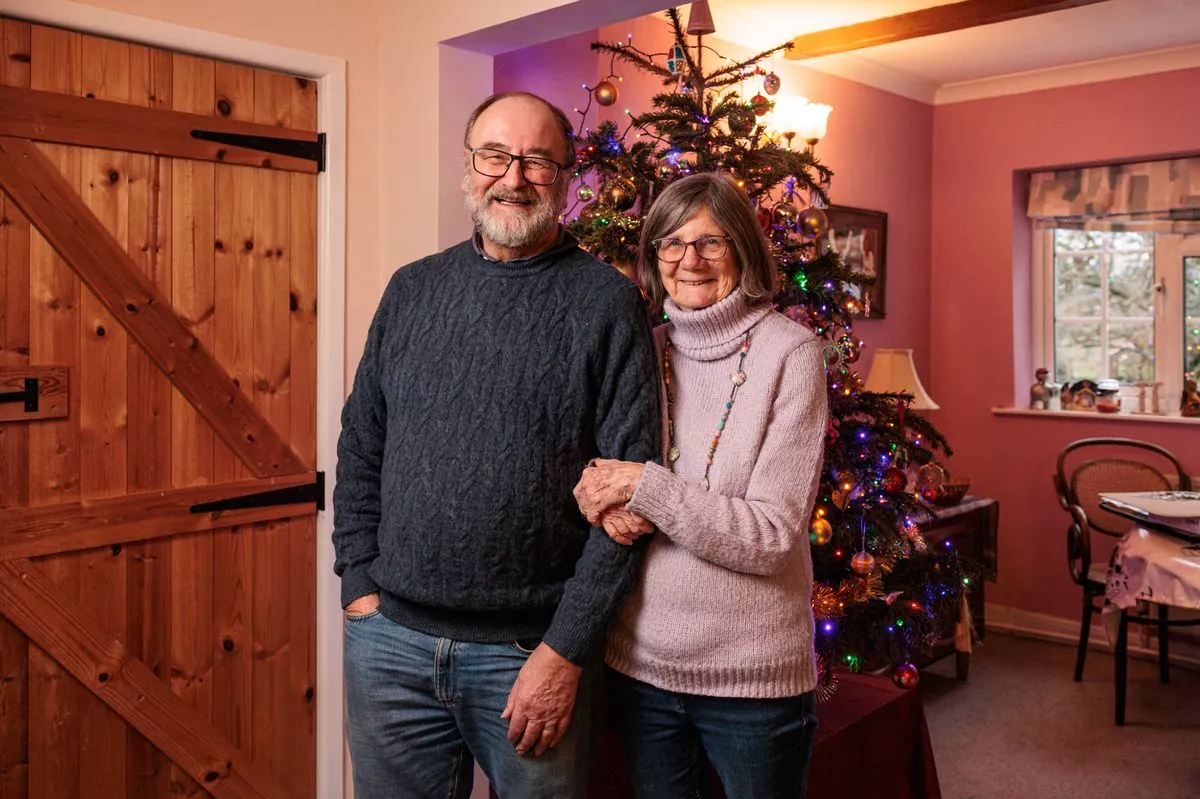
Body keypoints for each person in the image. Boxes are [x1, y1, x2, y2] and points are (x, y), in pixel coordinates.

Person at [332, 91, 660, 799]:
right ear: (467, 167)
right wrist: (357, 582)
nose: (514, 177)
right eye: (495, 156)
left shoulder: (607, 303)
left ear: (566, 180)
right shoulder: (412, 290)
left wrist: (566, 649)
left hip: (530, 653)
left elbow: (631, 498)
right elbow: (362, 444)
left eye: (538, 161)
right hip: (389, 644)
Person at [574, 172, 829, 799]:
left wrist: (647, 488)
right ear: (654, 255)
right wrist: (596, 498)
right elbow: (598, 470)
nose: (690, 260)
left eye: (711, 242)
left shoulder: (792, 354)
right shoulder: (643, 348)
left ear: (743, 249)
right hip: (640, 668)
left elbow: (771, 535)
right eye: (672, 242)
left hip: (753, 681)